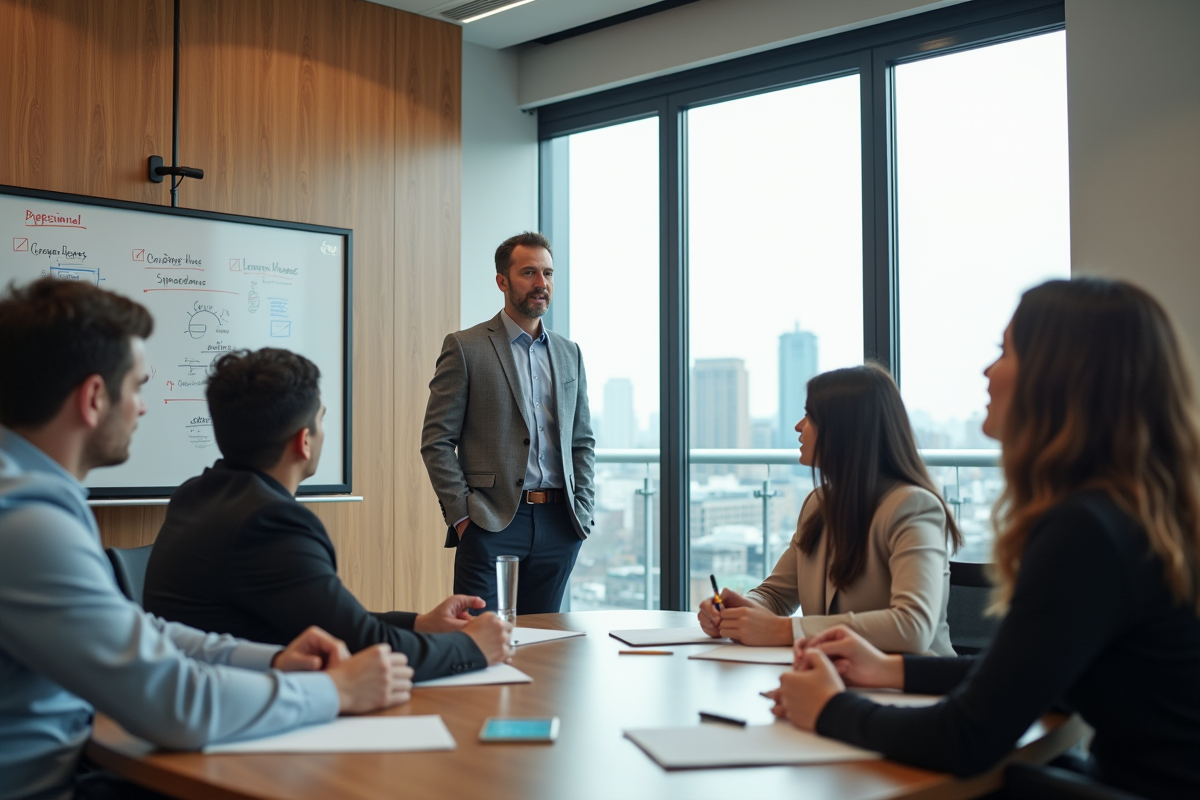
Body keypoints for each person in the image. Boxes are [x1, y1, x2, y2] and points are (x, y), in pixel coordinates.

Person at [769, 279, 1200, 799]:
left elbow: (966, 737)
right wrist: (889, 669)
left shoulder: (1086, 531)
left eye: (1006, 350)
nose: (987, 371)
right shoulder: (1132, 512)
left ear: (1062, 378)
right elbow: (1025, 673)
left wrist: (829, 709)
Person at [0, 278, 411, 800]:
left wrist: (269, 660)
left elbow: (138, 632)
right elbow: (175, 706)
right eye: (138, 387)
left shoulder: (30, 495)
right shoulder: (27, 522)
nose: (144, 408)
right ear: (95, 398)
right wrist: (332, 690)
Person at [144, 348, 513, 682]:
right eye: (321, 419)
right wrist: (474, 649)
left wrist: (420, 624)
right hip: (233, 723)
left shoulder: (197, 494)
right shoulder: (269, 523)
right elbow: (362, 645)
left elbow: (331, 619)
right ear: (303, 441)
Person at [699, 364, 961, 656]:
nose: (798, 426)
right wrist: (738, 611)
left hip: (913, 690)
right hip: (837, 678)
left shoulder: (912, 507)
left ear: (844, 429)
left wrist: (785, 630)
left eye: (810, 416)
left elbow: (912, 628)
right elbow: (774, 594)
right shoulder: (817, 504)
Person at [421, 231, 596, 614]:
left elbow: (581, 441)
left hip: (560, 524)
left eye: (548, 274)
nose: (541, 284)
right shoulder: (465, 347)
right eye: (529, 272)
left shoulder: (570, 353)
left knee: (545, 646)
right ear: (503, 281)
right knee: (480, 644)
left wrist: (582, 509)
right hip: (491, 521)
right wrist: (463, 517)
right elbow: (436, 440)